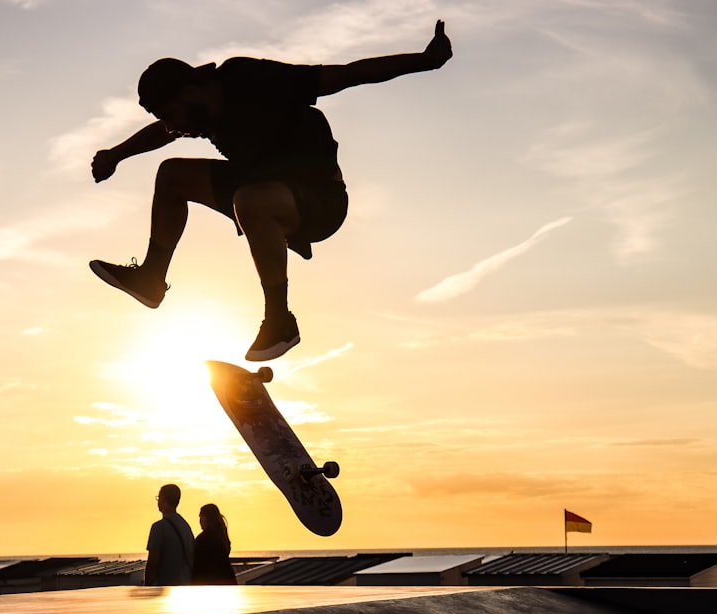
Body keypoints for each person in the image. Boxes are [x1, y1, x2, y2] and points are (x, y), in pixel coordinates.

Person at [89, 20, 453, 361]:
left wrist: (426, 61)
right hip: (256, 185)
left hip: (319, 199)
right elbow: (161, 132)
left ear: (190, 90)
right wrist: (117, 154)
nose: (172, 128)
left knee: (250, 200)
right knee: (172, 175)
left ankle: (279, 321)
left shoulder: (253, 80)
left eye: (171, 116)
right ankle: (152, 279)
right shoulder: (194, 111)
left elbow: (347, 75)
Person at [144, 484, 195, 585]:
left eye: (158, 497)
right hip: (185, 585)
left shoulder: (158, 528)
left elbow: (153, 563)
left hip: (165, 585)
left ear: (163, 499)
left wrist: (148, 586)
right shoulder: (185, 526)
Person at [192, 503, 237, 585]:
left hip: (211, 582)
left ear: (206, 518)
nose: (200, 521)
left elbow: (197, 566)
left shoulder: (203, 539)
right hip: (228, 580)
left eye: (201, 517)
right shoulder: (222, 536)